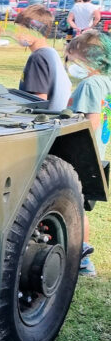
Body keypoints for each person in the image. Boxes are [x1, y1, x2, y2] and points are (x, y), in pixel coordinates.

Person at [64, 30, 111, 277]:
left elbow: (89, 122)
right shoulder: (106, 81)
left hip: (81, 154)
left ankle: (82, 258)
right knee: (79, 204)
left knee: (76, 205)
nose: (71, 66)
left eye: (72, 60)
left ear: (87, 60)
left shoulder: (91, 84)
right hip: (96, 151)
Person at [13, 4, 71, 111]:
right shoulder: (50, 52)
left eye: (22, 30)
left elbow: (39, 101)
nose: (17, 34)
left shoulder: (38, 57)